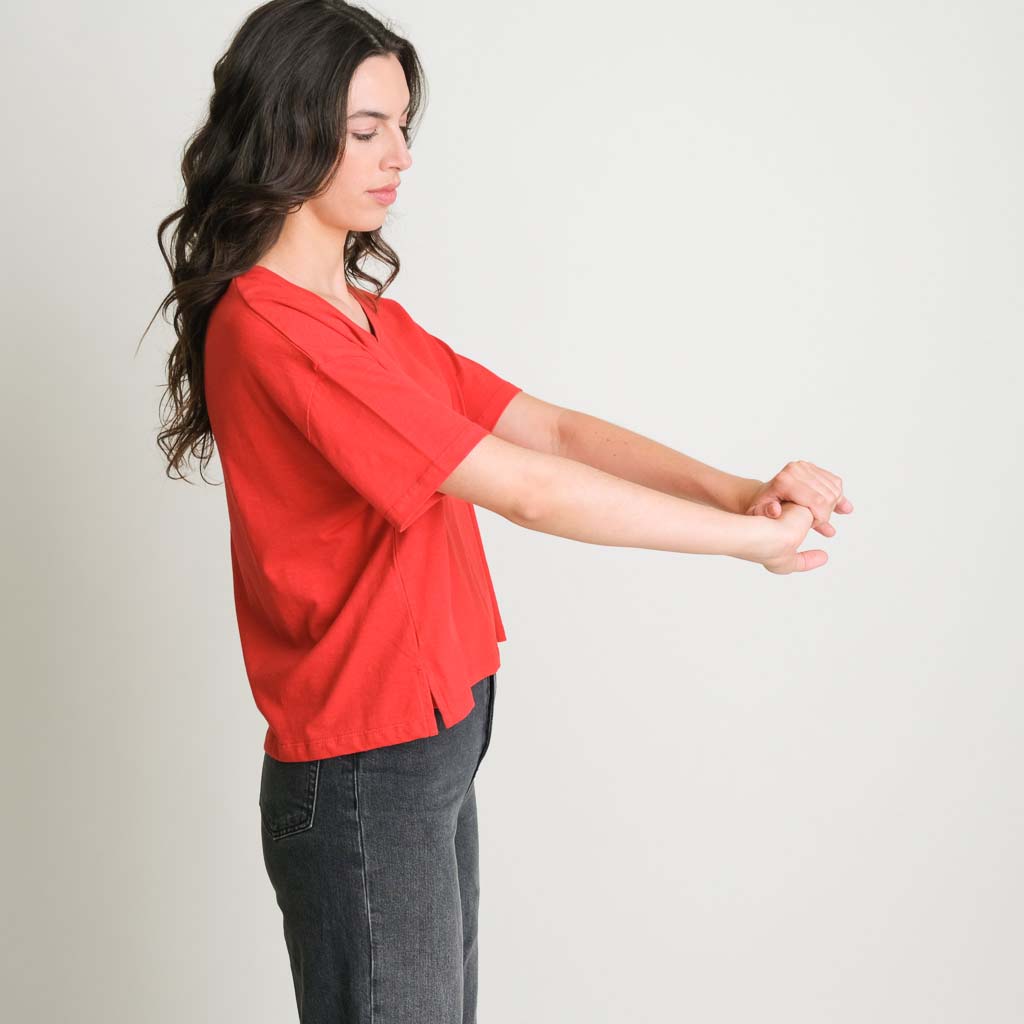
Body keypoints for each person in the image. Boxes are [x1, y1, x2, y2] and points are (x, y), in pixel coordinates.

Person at [147, 2, 853, 1021]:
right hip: (367, 767)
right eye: (365, 130)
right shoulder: (281, 332)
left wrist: (737, 488)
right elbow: (526, 488)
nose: (399, 156)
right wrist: (749, 542)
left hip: (430, 741)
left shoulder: (369, 322)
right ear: (287, 130)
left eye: (402, 126)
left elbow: (550, 432)